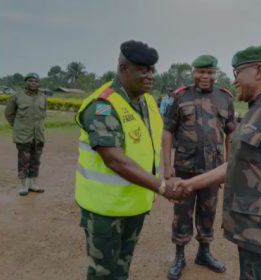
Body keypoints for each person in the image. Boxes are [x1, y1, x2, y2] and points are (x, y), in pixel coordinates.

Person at [174, 44, 261, 280]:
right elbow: (236, 164)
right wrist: (190, 184)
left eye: (237, 73)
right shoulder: (257, 110)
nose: (234, 81)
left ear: (258, 70)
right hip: (253, 233)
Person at [74, 40, 186, 280]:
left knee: (122, 268)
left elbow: (149, 147)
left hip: (134, 205)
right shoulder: (103, 105)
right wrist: (162, 187)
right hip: (104, 210)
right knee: (103, 273)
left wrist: (166, 174)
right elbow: (114, 159)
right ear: (124, 68)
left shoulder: (146, 101)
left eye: (153, 70)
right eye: (143, 69)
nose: (151, 76)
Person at [162, 54, 236, 279]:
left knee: (208, 212)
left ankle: (204, 252)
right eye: (201, 72)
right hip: (184, 168)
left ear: (216, 74)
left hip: (213, 169)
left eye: (210, 72)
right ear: (194, 72)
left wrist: (229, 167)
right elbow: (168, 131)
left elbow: (231, 133)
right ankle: (179, 255)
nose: (205, 76)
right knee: (182, 213)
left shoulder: (225, 99)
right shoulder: (181, 97)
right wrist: (167, 168)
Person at [5, 73, 46, 196]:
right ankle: (23, 186)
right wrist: (18, 127)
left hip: (38, 135)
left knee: (36, 160)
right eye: (31, 80)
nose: (34, 83)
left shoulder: (43, 97)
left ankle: (33, 184)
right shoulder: (17, 97)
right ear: (26, 82)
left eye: (36, 81)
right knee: (24, 161)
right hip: (23, 136)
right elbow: (9, 114)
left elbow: (43, 114)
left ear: (39, 83)